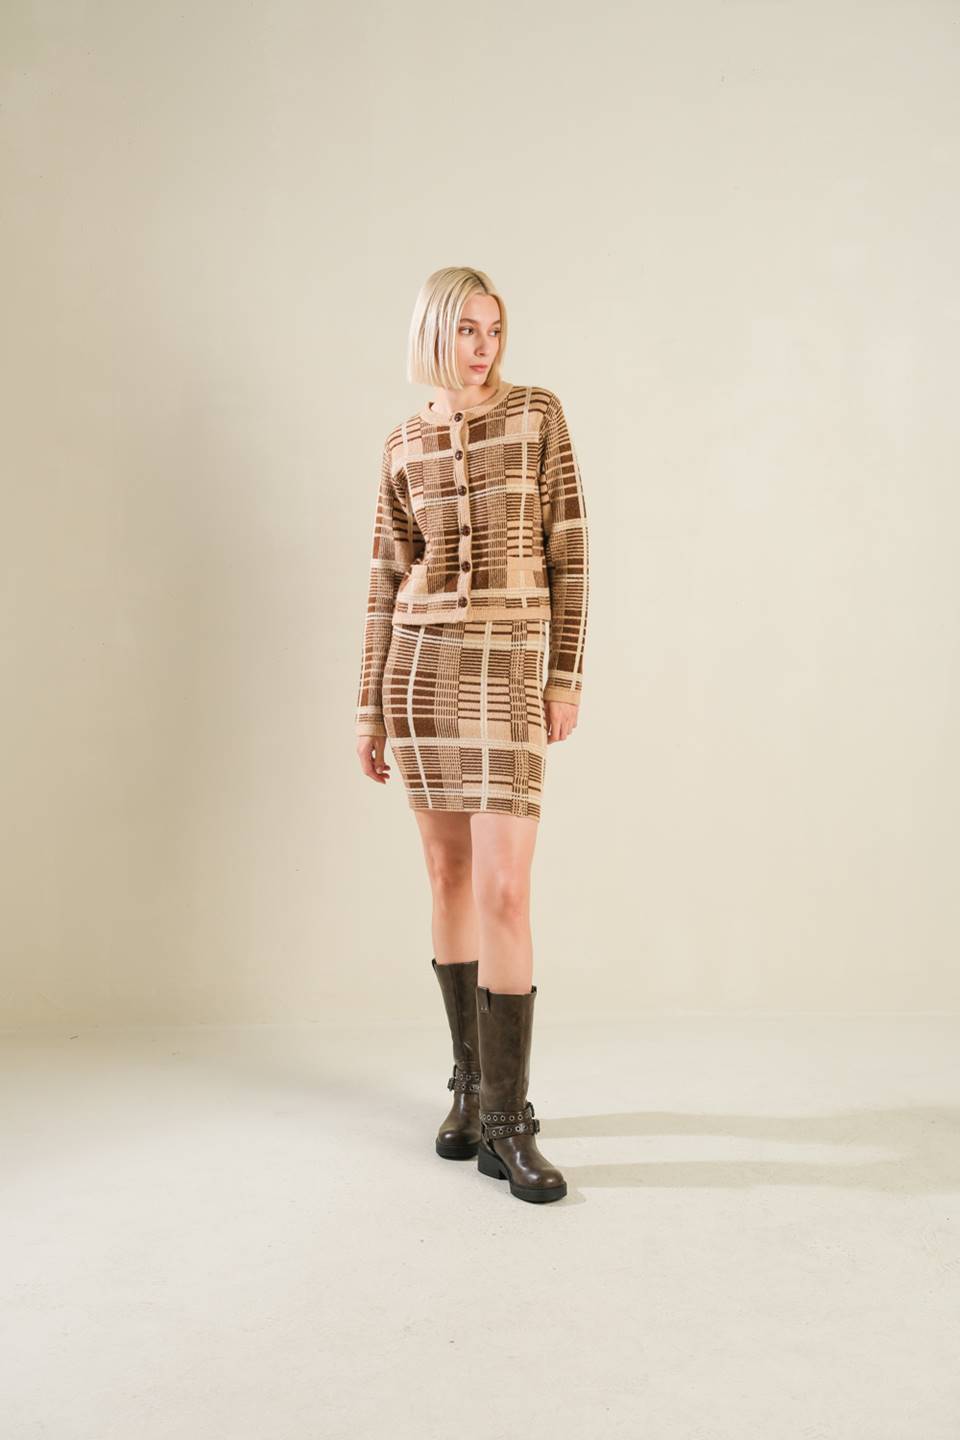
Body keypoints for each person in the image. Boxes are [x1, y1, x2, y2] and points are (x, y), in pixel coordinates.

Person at [354, 266, 590, 1204]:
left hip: (510, 669)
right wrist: (368, 709)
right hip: (419, 676)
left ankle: (509, 1120)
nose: (485, 346)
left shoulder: (538, 415)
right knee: (449, 877)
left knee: (506, 888)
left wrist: (563, 677)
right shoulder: (402, 442)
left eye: (494, 328)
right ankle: (469, 1090)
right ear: (434, 335)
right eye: (467, 330)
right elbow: (384, 577)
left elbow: (571, 550)